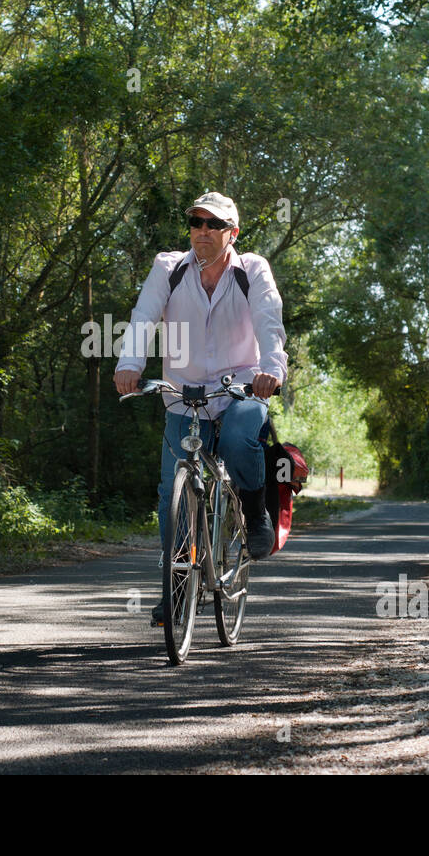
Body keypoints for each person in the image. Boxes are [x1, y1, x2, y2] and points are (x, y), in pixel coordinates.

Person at [113, 191, 289, 627]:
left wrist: (272, 370)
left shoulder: (253, 272)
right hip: (184, 391)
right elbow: (143, 318)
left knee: (236, 438)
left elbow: (269, 323)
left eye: (213, 224)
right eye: (196, 222)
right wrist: (130, 364)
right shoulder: (168, 268)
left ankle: (252, 510)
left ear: (233, 232)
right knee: (168, 492)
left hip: (241, 387)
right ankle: (174, 589)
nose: (203, 231)